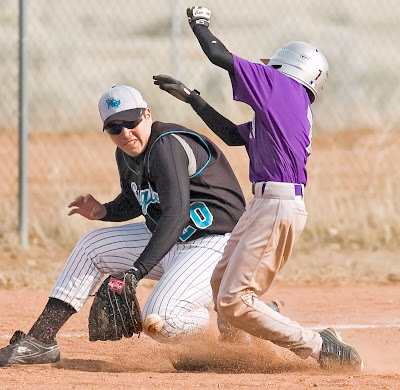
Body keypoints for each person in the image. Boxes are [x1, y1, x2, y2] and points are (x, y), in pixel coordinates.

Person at [152, 5, 364, 372]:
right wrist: (194, 99)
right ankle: (234, 354)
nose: (266, 72)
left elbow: (220, 56)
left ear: (287, 68)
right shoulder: (286, 108)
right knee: (220, 285)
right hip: (264, 202)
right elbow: (235, 136)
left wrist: (199, 23)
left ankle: (321, 347)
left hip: (277, 204)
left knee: (234, 298)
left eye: (272, 67)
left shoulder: (283, 88)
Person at [0, 84, 253, 367]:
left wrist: (135, 272)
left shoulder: (166, 145)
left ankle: (238, 312)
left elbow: (176, 213)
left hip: (216, 243)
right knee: (91, 247)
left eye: (131, 122)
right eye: (114, 127)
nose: (125, 133)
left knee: (162, 319)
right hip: (173, 239)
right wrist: (104, 210)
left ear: (147, 115)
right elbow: (139, 201)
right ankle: (41, 340)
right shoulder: (126, 154)